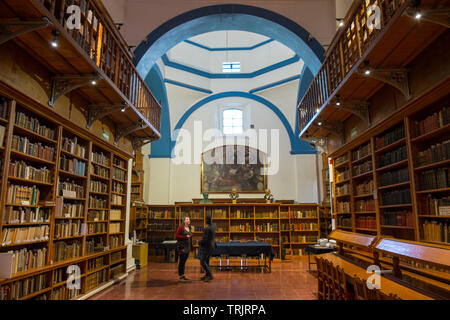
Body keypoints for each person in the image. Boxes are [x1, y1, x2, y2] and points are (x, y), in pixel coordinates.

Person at [198, 216, 217, 282]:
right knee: (207, 261)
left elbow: (205, 240)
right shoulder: (214, 226)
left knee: (202, 261)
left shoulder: (206, 228)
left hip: (206, 247)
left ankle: (209, 275)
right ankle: (207, 275)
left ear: (206, 221)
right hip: (211, 246)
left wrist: (199, 242)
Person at [176, 217, 192, 282]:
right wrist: (185, 236)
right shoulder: (181, 227)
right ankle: (180, 276)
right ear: (184, 221)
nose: (189, 220)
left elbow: (190, 237)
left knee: (184, 262)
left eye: (189, 219)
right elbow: (177, 236)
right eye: (187, 219)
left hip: (187, 247)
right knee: (181, 262)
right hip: (182, 247)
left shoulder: (189, 227)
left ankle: (183, 275)